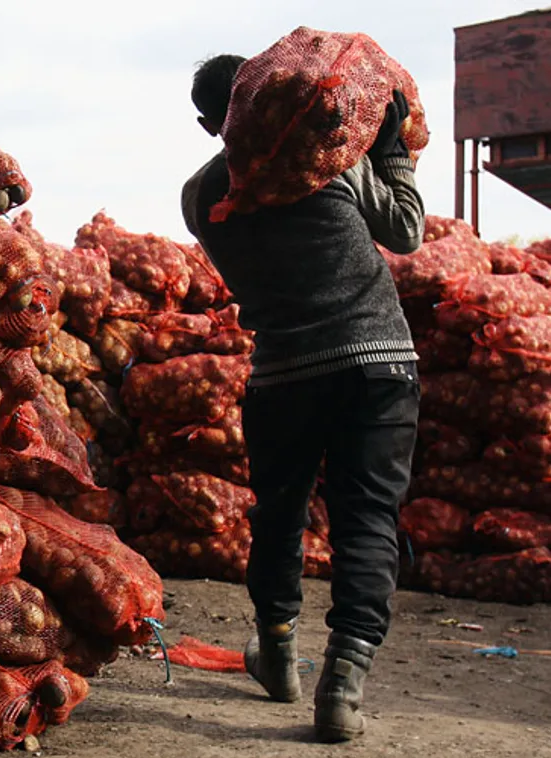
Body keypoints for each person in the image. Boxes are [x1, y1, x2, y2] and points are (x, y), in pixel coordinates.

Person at [181, 55, 426, 743]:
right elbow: (405, 231)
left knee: (279, 515)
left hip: (283, 375)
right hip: (376, 367)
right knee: (366, 521)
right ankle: (342, 684)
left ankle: (279, 655)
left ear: (210, 124)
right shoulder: (329, 160)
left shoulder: (199, 197)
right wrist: (388, 152)